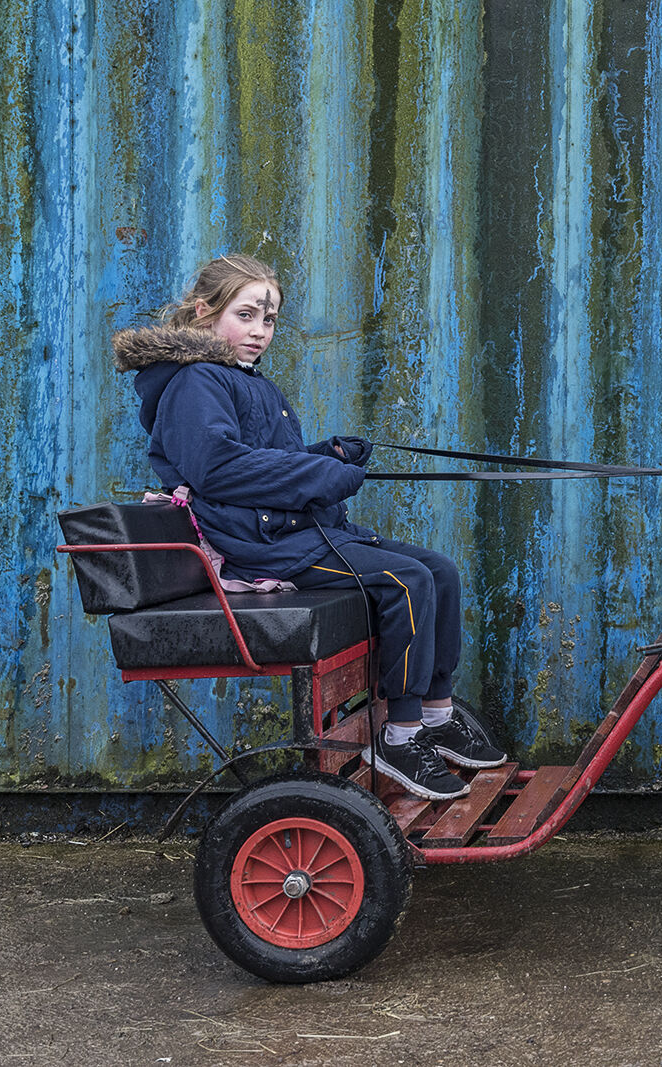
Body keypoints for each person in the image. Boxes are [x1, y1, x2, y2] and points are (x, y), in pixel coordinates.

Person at [112, 254, 504, 800]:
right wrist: (321, 471)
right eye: (245, 315)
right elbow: (218, 468)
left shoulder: (247, 381)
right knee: (405, 582)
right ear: (204, 313)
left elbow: (269, 461)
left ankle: (436, 716)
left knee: (439, 571)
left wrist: (329, 453)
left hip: (294, 531)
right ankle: (401, 734)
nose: (259, 331)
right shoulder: (195, 382)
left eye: (268, 320)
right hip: (259, 545)